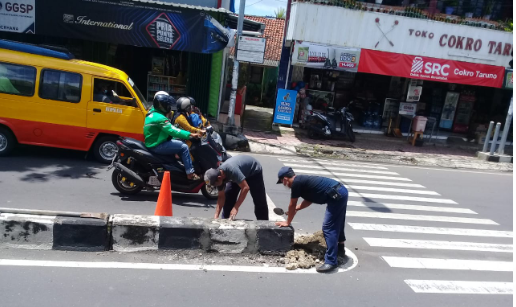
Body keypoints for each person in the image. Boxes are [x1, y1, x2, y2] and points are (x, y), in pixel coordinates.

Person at [276, 167, 348, 273]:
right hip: (340, 191)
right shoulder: (301, 181)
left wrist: (287, 222)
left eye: (282, 182)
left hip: (336, 195)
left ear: (285, 179)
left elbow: (292, 204)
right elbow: (308, 200)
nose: (284, 184)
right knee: (338, 221)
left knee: (328, 227)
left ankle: (331, 262)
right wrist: (295, 209)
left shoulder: (296, 184)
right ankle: (340, 249)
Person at [144, 93, 201, 180]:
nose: (169, 108)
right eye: (167, 106)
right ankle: (190, 173)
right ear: (162, 106)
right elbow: (173, 130)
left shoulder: (151, 113)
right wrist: (190, 134)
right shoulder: (160, 118)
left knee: (178, 142)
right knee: (184, 147)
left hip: (154, 142)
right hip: (157, 145)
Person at [204, 155, 269, 221]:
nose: (216, 186)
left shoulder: (232, 170)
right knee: (228, 196)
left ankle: (264, 225)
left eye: (215, 184)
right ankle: (226, 220)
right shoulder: (218, 175)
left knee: (259, 200)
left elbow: (245, 188)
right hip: (239, 173)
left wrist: (236, 208)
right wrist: (216, 216)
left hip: (253, 171)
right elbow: (221, 197)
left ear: (219, 178)